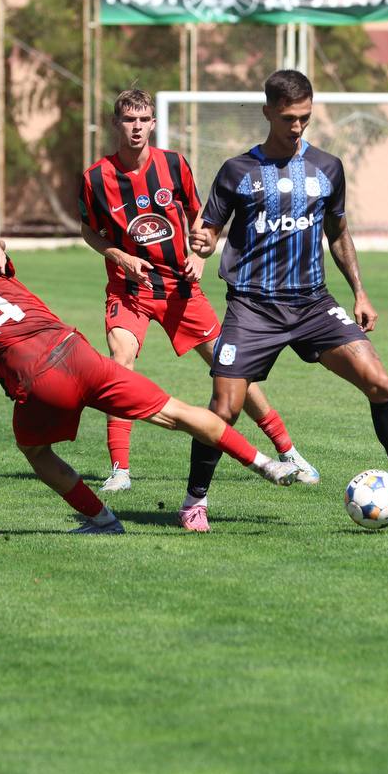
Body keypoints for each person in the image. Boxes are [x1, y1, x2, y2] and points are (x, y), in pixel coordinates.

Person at [183, 69, 388, 532]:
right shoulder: (237, 171)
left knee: (379, 382)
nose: (297, 127)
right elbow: (209, 230)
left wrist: (360, 292)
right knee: (224, 407)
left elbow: (338, 232)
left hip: (313, 304)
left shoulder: (327, 167)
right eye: (288, 118)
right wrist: (204, 241)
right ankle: (194, 501)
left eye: (305, 117)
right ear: (268, 112)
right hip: (253, 306)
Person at [0, 232, 302, 535]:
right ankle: (266, 464)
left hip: (40, 384)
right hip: (78, 354)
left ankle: (102, 520)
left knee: (35, 451)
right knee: (176, 412)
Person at [78, 88, 319, 496]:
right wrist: (117, 254)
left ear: (153, 123)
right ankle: (120, 470)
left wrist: (199, 255)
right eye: (129, 120)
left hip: (180, 289)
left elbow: (202, 219)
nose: (136, 127)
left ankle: (287, 450)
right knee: (120, 366)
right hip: (129, 290)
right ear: (116, 123)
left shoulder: (173, 165)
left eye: (143, 120)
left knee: (232, 370)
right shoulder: (95, 178)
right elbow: (89, 230)